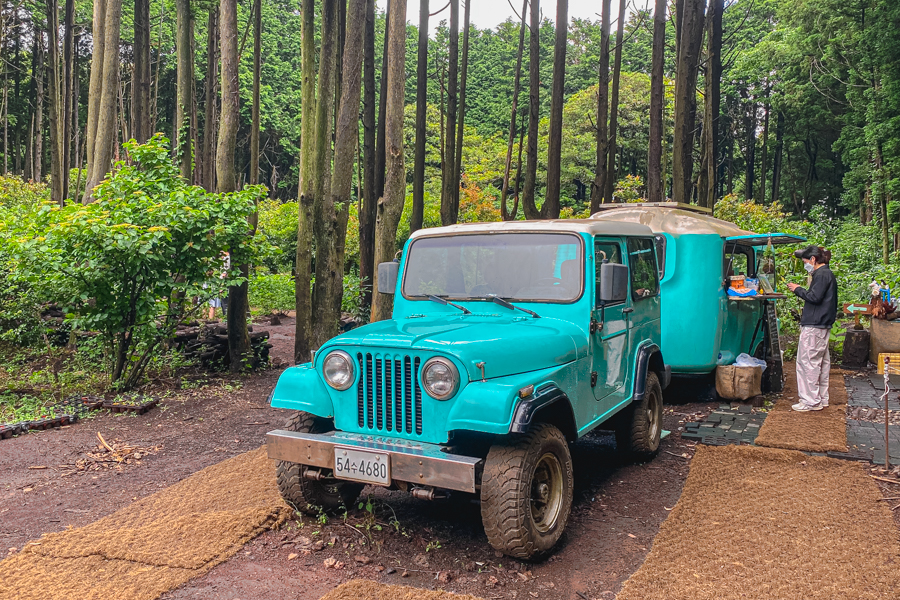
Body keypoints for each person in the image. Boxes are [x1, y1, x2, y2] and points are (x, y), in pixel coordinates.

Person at [786, 245, 838, 411]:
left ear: (813, 260)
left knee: (807, 362)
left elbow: (814, 297)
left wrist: (798, 289)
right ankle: (820, 398)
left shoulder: (822, 274)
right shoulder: (826, 274)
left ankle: (810, 401)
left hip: (814, 325)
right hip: (821, 325)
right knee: (820, 362)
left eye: (805, 261)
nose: (805, 265)